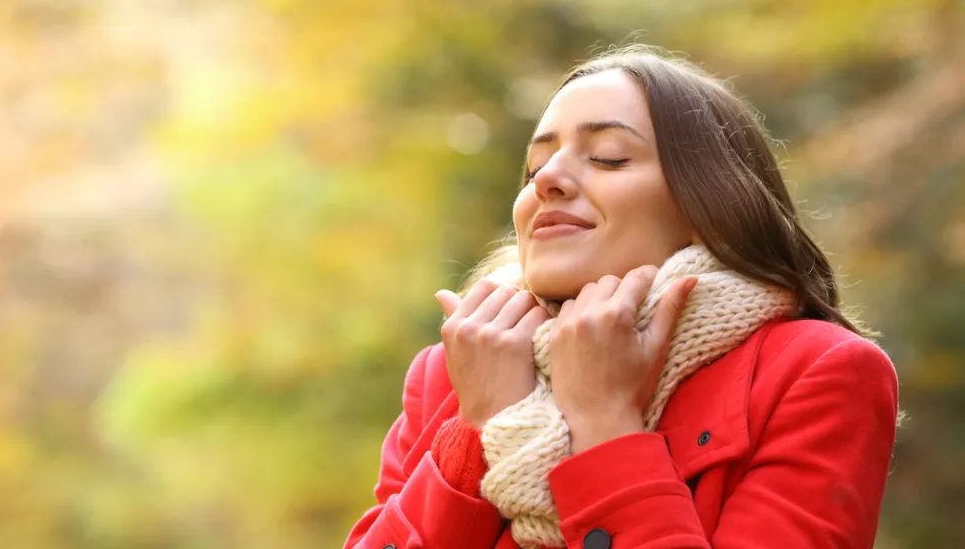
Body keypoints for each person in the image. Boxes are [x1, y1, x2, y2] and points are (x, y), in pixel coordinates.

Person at [343, 47, 899, 549]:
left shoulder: (816, 371)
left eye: (608, 157)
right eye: (534, 168)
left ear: (710, 204)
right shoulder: (453, 372)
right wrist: (477, 431)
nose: (548, 179)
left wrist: (604, 417)